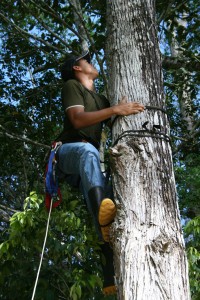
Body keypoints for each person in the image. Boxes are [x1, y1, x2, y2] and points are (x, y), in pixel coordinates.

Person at [56, 51, 145, 295]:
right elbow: (77, 119)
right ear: (77, 67)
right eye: (87, 61)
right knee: (88, 152)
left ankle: (109, 279)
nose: (92, 63)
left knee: (110, 193)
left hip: (89, 162)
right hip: (68, 154)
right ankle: (101, 219)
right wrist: (116, 109)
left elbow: (112, 115)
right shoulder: (72, 86)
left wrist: (119, 109)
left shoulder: (102, 100)